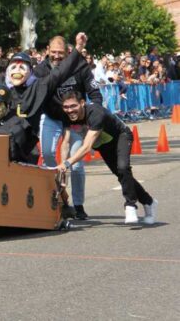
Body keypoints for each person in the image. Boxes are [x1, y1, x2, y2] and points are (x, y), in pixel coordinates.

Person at [58, 91, 157, 224]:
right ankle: (148, 202)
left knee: (123, 168)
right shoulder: (66, 117)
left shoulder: (95, 113)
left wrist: (68, 163)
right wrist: (62, 165)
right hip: (103, 144)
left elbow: (87, 147)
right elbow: (65, 142)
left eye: (73, 106)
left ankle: (130, 205)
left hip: (121, 136)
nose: (70, 110)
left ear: (82, 103)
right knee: (121, 175)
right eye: (66, 107)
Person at [33, 35, 102, 220]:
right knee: (47, 154)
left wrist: (94, 115)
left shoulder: (79, 66)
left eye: (60, 53)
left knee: (77, 162)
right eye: (53, 52)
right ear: (47, 50)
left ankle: (78, 205)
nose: (56, 56)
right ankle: (59, 199)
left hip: (76, 120)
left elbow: (95, 93)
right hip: (52, 117)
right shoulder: (40, 71)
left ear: (68, 52)